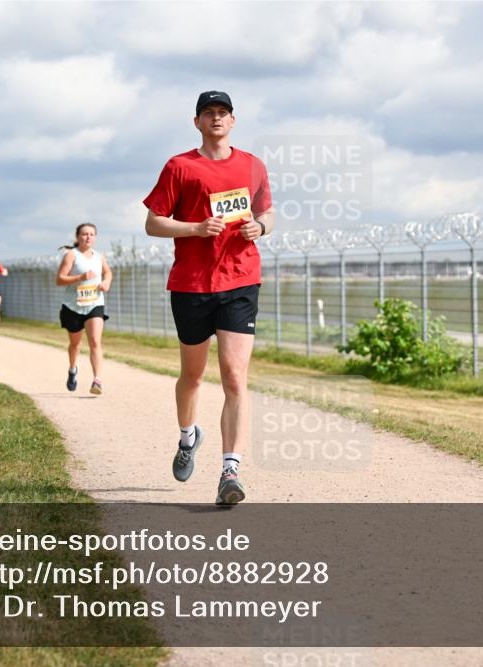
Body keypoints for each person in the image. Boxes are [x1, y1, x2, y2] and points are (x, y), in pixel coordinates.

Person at [143, 90, 275, 505]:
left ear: (233, 120)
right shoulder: (180, 166)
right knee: (193, 377)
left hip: (240, 280)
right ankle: (187, 436)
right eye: (208, 113)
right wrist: (196, 229)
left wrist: (262, 228)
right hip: (192, 284)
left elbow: (266, 211)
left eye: (223, 113)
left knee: (235, 377)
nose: (216, 119)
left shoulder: (253, 165)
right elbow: (153, 223)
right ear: (197, 121)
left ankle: (230, 471)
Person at [55, 223, 112, 394]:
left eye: (91, 234)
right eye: (84, 234)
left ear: (95, 237)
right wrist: (80, 277)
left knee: (95, 341)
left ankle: (97, 381)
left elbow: (108, 272)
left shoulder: (99, 256)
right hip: (73, 305)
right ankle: (73, 369)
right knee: (75, 344)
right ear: (78, 237)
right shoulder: (71, 255)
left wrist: (106, 282)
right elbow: (59, 280)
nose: (88, 237)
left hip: (95, 303)